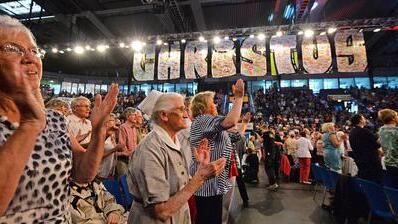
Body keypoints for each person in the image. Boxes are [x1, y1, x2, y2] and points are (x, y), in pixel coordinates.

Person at [0, 15, 118, 223]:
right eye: (13, 48)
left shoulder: (55, 119)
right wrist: (29, 126)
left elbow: (82, 174)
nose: (29, 57)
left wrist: (98, 130)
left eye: (34, 50)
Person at [127, 93, 226, 224]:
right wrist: (200, 177)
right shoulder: (150, 150)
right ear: (164, 115)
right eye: (181, 109)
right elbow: (162, 212)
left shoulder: (172, 141)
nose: (186, 114)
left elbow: (179, 185)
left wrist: (199, 168)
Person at [189, 79, 244, 224]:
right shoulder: (202, 120)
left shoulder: (209, 123)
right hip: (207, 185)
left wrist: (243, 123)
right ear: (203, 106)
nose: (215, 104)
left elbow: (235, 135)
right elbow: (230, 122)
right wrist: (238, 98)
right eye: (212, 102)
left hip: (213, 184)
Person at [349, 114, 383, 183]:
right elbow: (377, 145)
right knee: (375, 181)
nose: (365, 120)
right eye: (364, 118)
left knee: (365, 181)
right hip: (371, 161)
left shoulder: (352, 132)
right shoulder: (364, 131)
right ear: (360, 120)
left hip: (359, 160)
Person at [378, 109, 398, 188]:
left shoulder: (381, 129)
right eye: (397, 116)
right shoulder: (396, 131)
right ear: (393, 118)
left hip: (388, 163)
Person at [117, 107, 139, 176]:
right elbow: (122, 145)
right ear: (128, 116)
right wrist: (130, 153)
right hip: (123, 160)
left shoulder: (134, 128)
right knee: (125, 182)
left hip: (132, 159)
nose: (136, 117)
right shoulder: (123, 127)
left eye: (136, 115)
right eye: (134, 115)